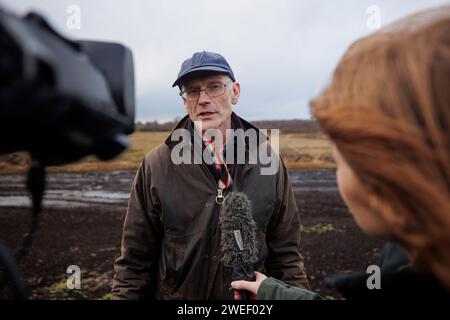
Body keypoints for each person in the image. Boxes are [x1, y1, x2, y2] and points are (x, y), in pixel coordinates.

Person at [231, 7, 450, 299]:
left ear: (384, 174)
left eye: (341, 156)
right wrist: (272, 291)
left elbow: (285, 244)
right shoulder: (414, 263)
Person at [111, 51, 309, 299]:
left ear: (234, 92)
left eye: (214, 87)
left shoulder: (268, 161)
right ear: (184, 101)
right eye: (192, 91)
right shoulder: (156, 164)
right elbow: (134, 262)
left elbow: (287, 256)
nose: (203, 99)